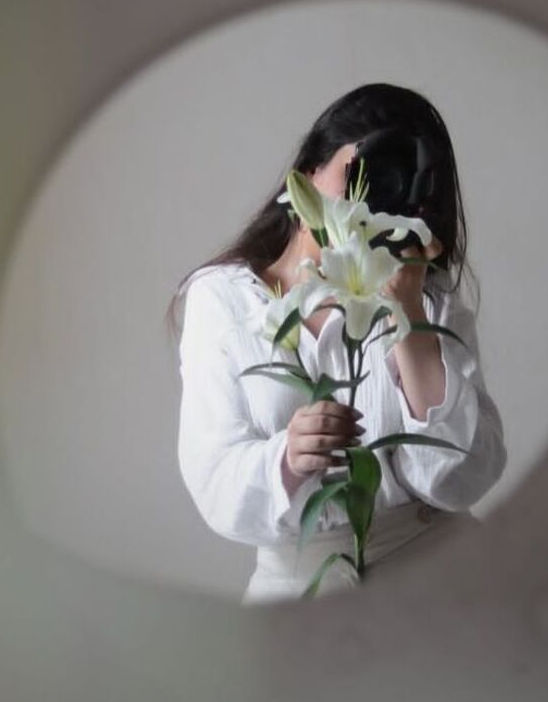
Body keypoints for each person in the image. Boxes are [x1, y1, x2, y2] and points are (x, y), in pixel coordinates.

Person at [165, 82, 507, 604]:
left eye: (402, 183)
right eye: (363, 173)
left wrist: (408, 311)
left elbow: (460, 478)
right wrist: (288, 458)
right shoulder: (225, 300)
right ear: (307, 175)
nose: (373, 198)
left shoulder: (426, 296)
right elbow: (214, 482)